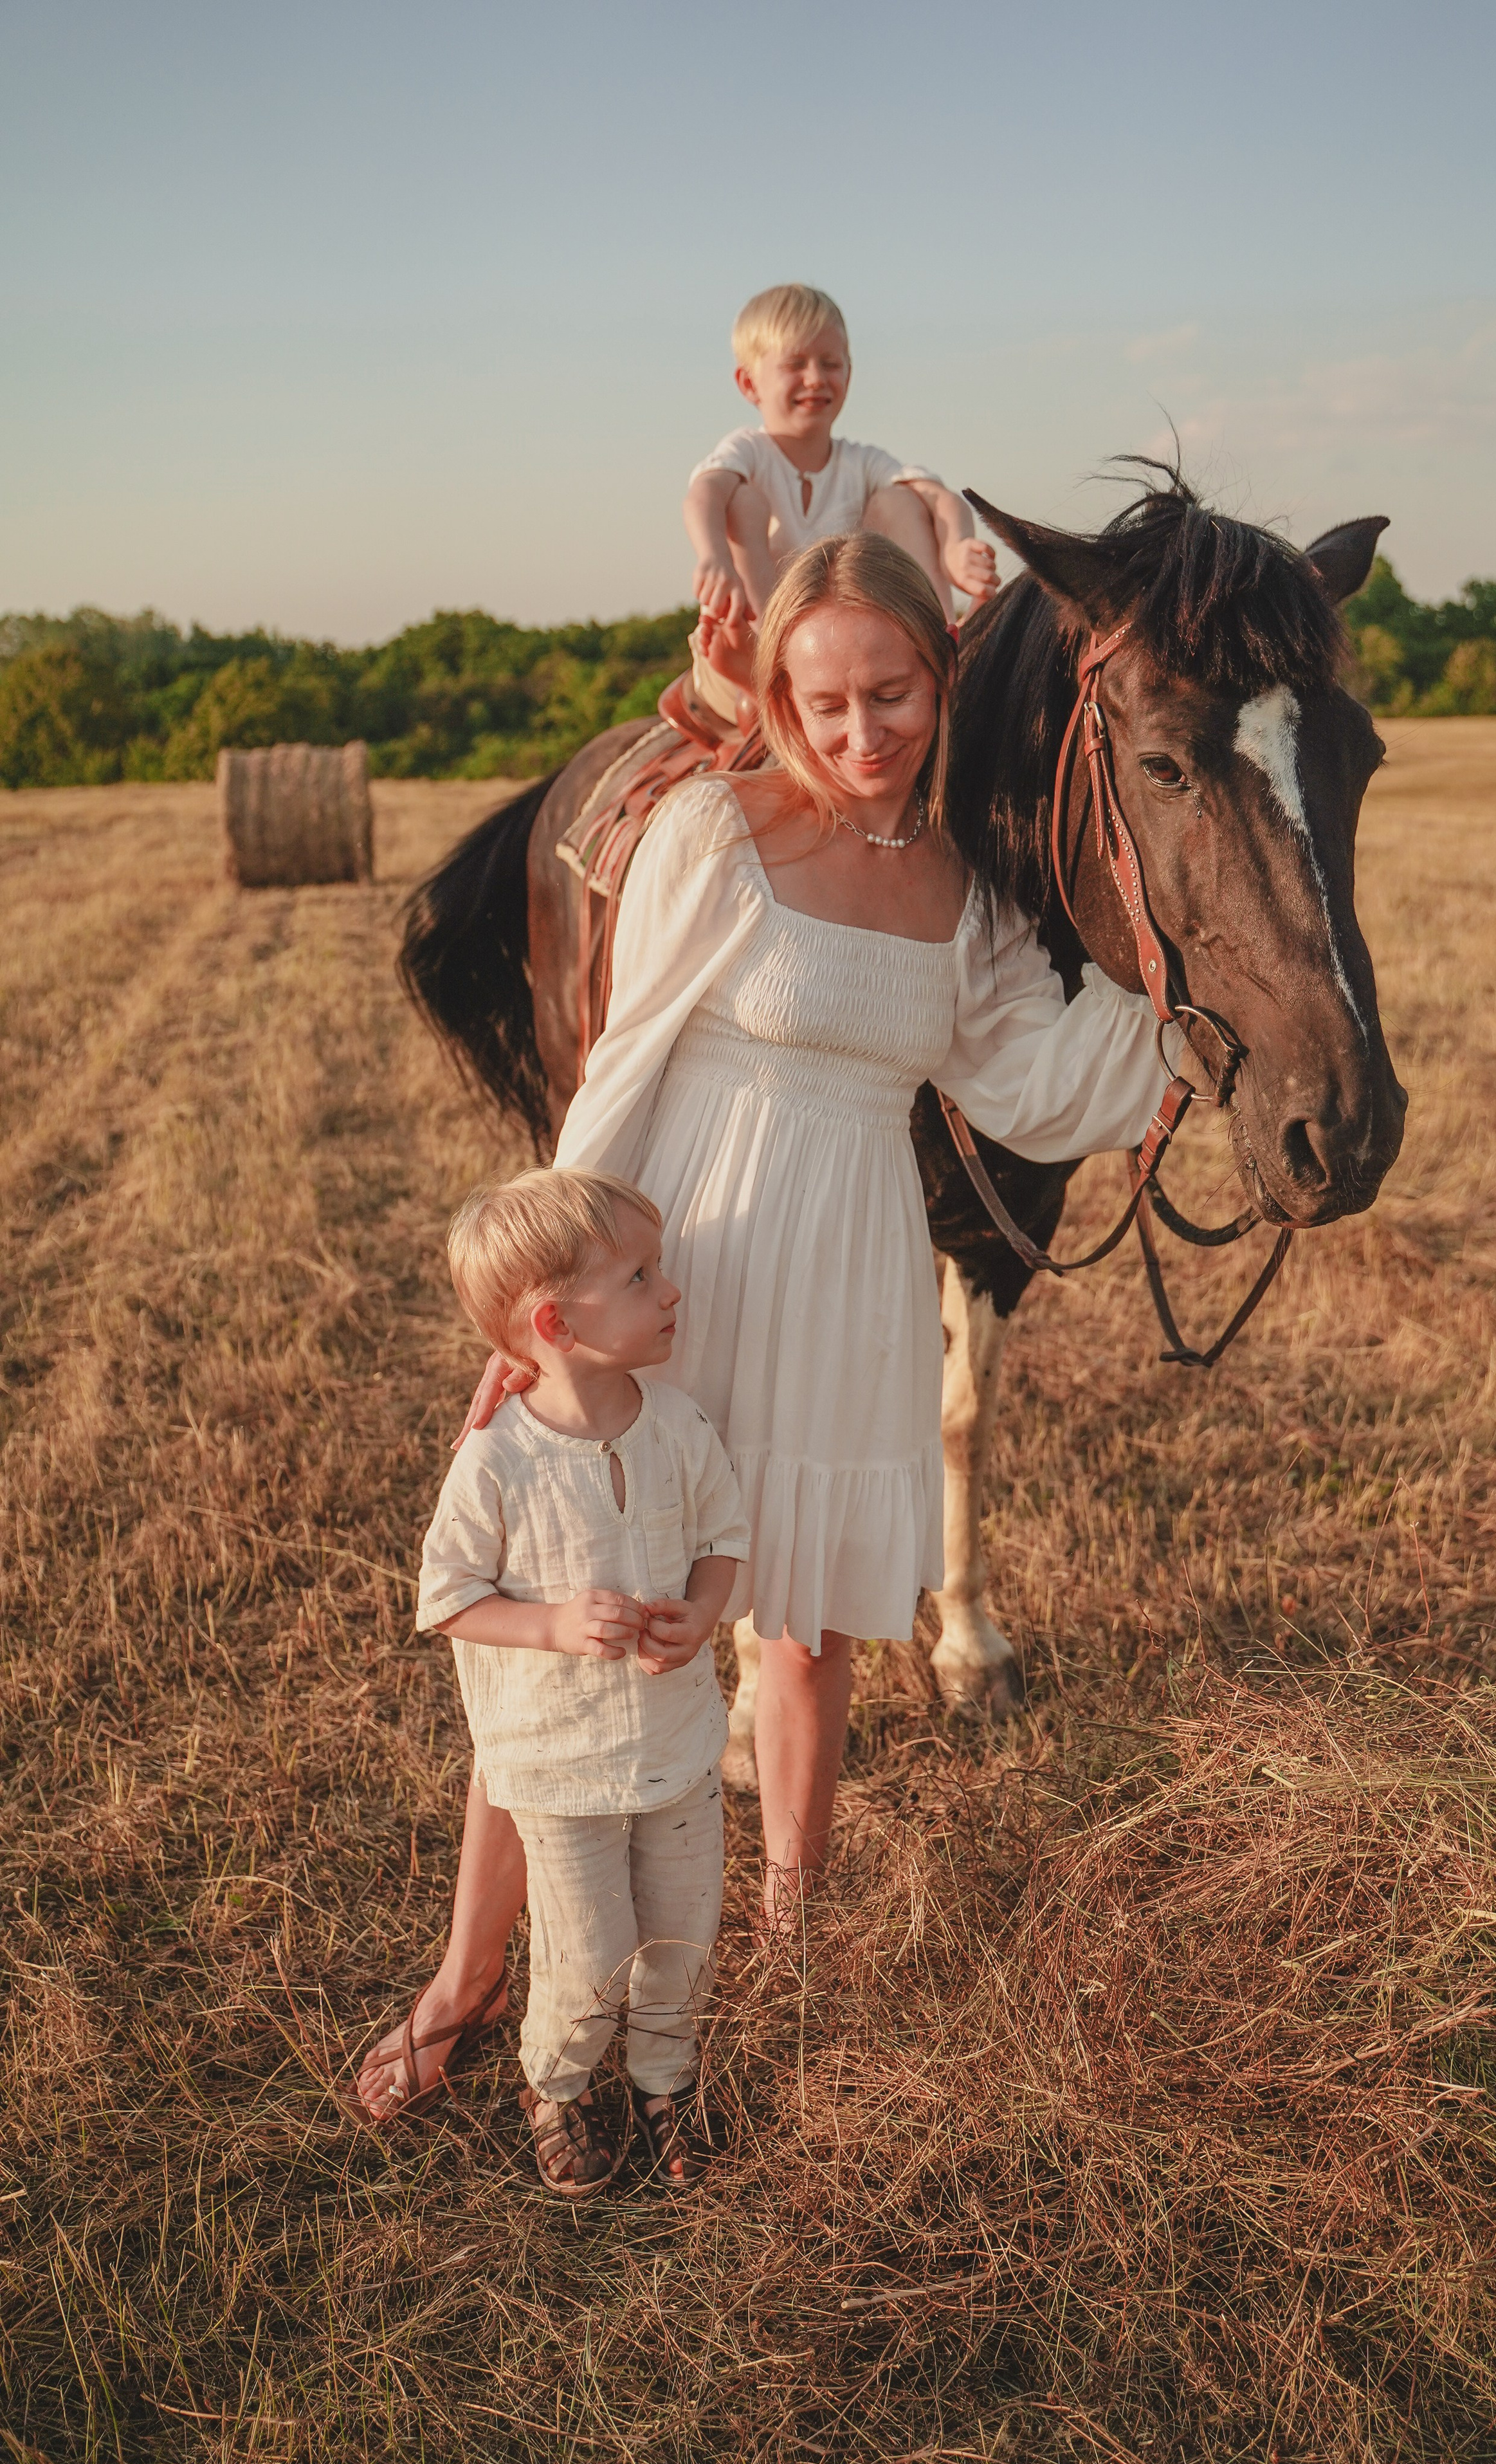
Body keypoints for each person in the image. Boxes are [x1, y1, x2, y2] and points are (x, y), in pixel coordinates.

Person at [352, 530, 1184, 2122]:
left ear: (938, 680)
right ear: (777, 694)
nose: (860, 732)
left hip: (853, 1269)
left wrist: (1191, 1037)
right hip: (684, 1256)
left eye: (891, 694)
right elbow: (623, 1067)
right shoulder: (713, 832)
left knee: (800, 1631)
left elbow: (1021, 1076)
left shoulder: (965, 890)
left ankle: (778, 1971)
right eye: (823, 701)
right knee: (585, 1649)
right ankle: (461, 1987)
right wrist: (539, 1326)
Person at [358, 1165, 748, 2194]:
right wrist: (552, 1624)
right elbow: (445, 1598)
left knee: (680, 1933)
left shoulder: (678, 1426)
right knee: (589, 1951)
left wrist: (703, 1613)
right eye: (640, 1277)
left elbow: (725, 1541)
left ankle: (665, 2079)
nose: (672, 1292)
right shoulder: (499, 1460)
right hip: (559, 1768)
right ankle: (558, 2085)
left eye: (657, 1270)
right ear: (555, 1324)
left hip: (675, 1750)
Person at [684, 282, 997, 681]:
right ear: (749, 384)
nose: (815, 378)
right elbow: (704, 494)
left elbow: (939, 498)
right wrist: (714, 558)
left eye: (831, 363)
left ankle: (937, 641)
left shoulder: (861, 462)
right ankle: (772, 666)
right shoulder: (749, 451)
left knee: (901, 501)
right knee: (742, 501)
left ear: (849, 371)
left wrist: (955, 547)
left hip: (847, 642)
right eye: (795, 364)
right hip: (753, 637)